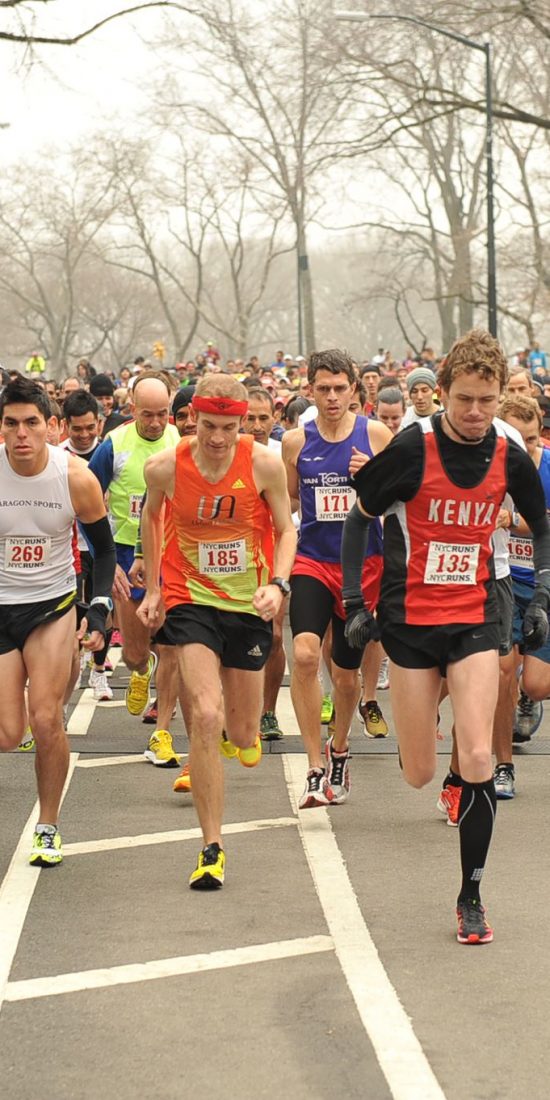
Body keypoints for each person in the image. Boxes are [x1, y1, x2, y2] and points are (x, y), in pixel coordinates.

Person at [341, 328, 550, 945]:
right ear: (443, 392)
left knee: (479, 753)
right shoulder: (412, 448)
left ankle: (471, 897)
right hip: (409, 621)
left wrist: (541, 594)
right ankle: (434, 746)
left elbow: (541, 525)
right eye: (464, 399)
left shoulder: (509, 454)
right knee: (416, 772)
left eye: (487, 400)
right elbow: (359, 519)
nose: (476, 412)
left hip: (476, 613)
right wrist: (354, 602)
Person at [138, 373, 297, 889]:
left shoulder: (264, 464)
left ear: (242, 423)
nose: (218, 438)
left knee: (244, 734)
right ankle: (212, 846)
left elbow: (286, 529)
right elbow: (151, 517)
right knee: (205, 715)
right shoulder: (165, 467)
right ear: (192, 419)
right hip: (191, 599)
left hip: (248, 603)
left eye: (229, 428)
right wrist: (155, 588)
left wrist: (278, 584)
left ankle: (238, 734)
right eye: (208, 426)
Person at [0, 378, 116, 866]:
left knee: (46, 718)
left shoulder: (74, 477)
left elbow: (104, 550)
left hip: (51, 605)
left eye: (31, 423)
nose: (21, 434)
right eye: (11, 424)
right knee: (8, 733)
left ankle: (47, 826)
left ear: (51, 426)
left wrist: (100, 608)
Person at [282, 348, 391, 809]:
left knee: (346, 679)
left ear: (354, 391)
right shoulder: (295, 442)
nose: (331, 397)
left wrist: (372, 479)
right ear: (309, 390)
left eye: (339, 389)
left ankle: (339, 748)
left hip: (362, 568)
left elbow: (397, 502)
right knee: (306, 654)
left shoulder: (376, 434)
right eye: (322, 389)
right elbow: (289, 502)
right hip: (312, 560)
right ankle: (313, 766)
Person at [88, 372, 181, 765]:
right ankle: (142, 670)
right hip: (126, 555)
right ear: (132, 409)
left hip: (170, 552)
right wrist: (106, 558)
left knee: (172, 643)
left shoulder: (179, 440)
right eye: (148, 415)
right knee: (134, 653)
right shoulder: (114, 444)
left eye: (162, 414)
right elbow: (87, 498)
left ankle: (163, 730)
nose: (156, 423)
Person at [242, 388, 287, 740]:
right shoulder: (228, 452)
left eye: (263, 418)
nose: (257, 426)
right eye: (250, 418)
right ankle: (237, 709)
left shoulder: (281, 454)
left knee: (273, 635)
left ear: (275, 417)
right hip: (237, 557)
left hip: (274, 552)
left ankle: (268, 712)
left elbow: (294, 504)